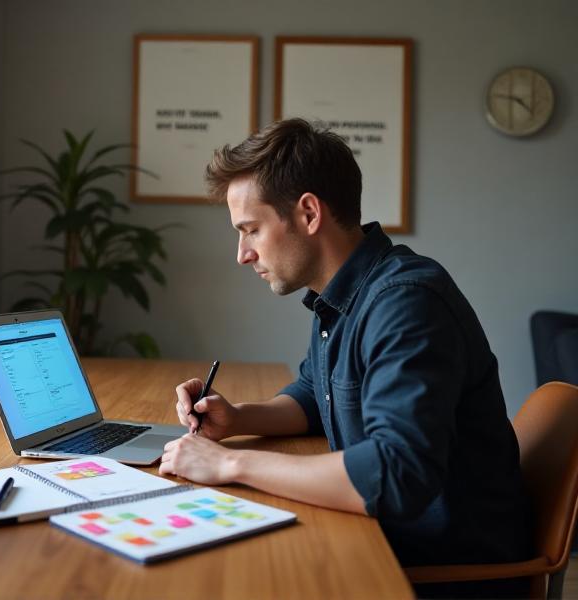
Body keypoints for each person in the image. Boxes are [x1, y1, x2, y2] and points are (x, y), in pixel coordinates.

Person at [159, 118, 530, 594]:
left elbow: (396, 473)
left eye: (250, 229)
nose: (242, 254)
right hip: (389, 541)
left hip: (444, 572)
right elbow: (317, 395)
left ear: (309, 214)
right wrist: (237, 418)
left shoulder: (407, 303)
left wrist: (229, 464)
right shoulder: (343, 296)